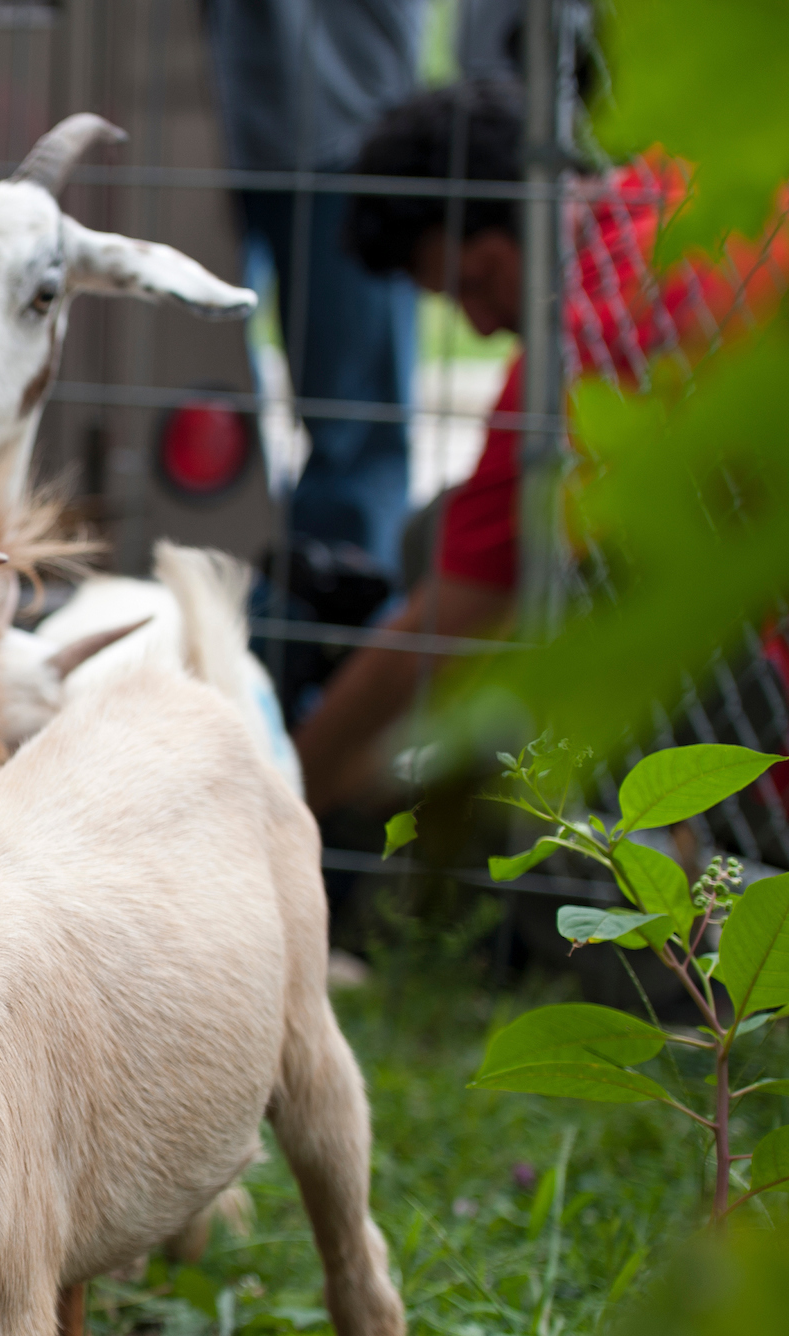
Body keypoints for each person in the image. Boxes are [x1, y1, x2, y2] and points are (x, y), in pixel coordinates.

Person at [291, 82, 778, 813]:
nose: (482, 325)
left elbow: (443, 624)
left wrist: (289, 792)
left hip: (760, 666)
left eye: (476, 283)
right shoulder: (674, 183)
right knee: (445, 531)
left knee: (510, 619)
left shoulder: (573, 348)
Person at [207, 0, 426, 586]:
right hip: (187, 117)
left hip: (348, 114)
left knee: (355, 423)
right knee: (188, 396)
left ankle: (332, 633)